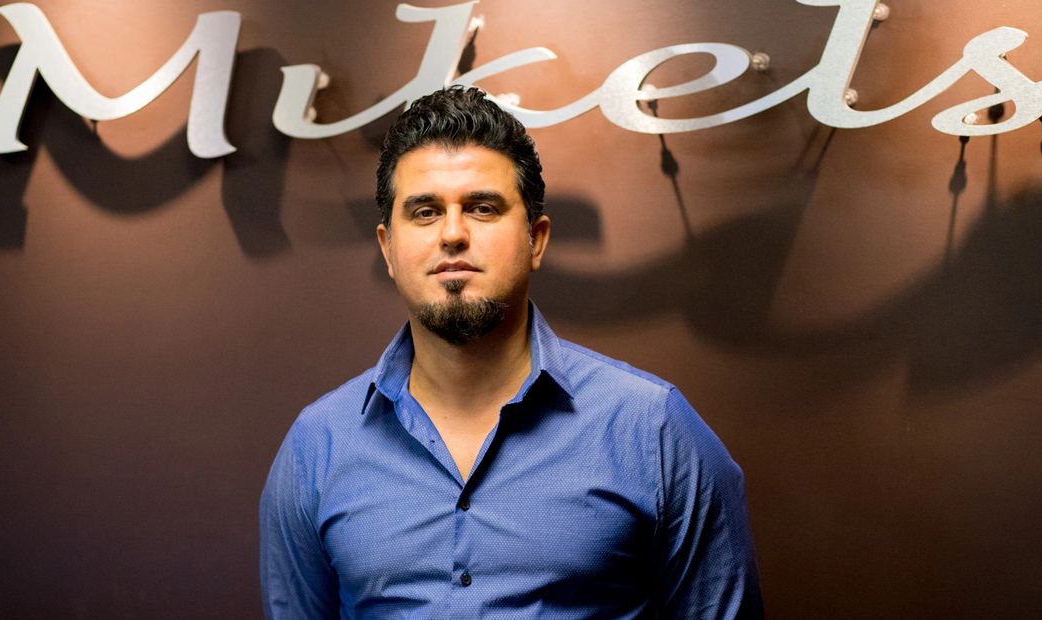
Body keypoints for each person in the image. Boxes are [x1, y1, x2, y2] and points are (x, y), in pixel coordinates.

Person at [260, 85, 762, 619]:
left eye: (482, 208)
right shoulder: (317, 447)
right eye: (425, 212)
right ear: (388, 247)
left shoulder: (653, 430)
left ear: (536, 239)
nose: (453, 234)